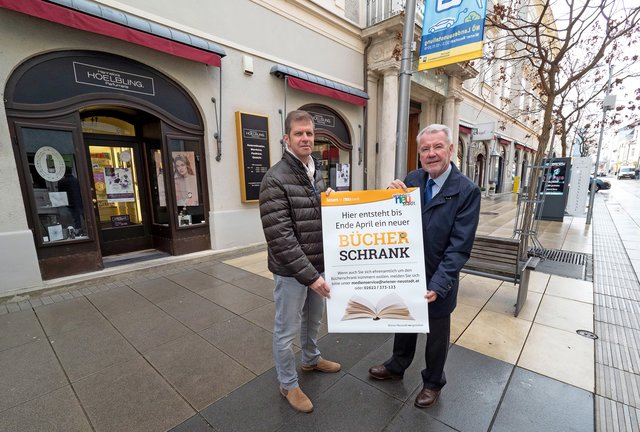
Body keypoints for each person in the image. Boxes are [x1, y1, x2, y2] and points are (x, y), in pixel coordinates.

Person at [368, 124, 481, 409]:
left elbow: (459, 247)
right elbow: (393, 222)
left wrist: (439, 284)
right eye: (425, 149)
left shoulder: (466, 191)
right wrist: (388, 197)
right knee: (404, 321)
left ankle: (432, 383)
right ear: (420, 154)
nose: (431, 154)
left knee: (436, 335)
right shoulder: (413, 179)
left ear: (451, 150)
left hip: (439, 278)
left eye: (437, 147)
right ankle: (397, 365)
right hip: (409, 271)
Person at [259, 110, 340, 413]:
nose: (305, 138)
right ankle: (288, 383)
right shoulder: (275, 178)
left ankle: (310, 359)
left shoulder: (313, 170)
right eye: (299, 133)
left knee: (313, 320)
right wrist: (311, 276)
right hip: (293, 271)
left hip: (316, 264)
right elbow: (281, 237)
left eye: (309, 133)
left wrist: (328, 200)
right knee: (286, 329)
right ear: (287, 138)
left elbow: (310, 215)